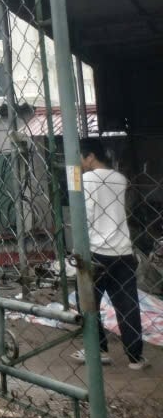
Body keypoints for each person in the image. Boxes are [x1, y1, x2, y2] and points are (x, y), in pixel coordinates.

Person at [72, 138, 149, 370]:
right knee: (127, 305)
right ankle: (135, 357)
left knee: (88, 303)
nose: (79, 163)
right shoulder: (120, 179)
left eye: (80, 157)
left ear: (90, 156)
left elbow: (85, 215)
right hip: (123, 251)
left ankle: (99, 350)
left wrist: (78, 248)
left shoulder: (86, 180)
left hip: (95, 252)